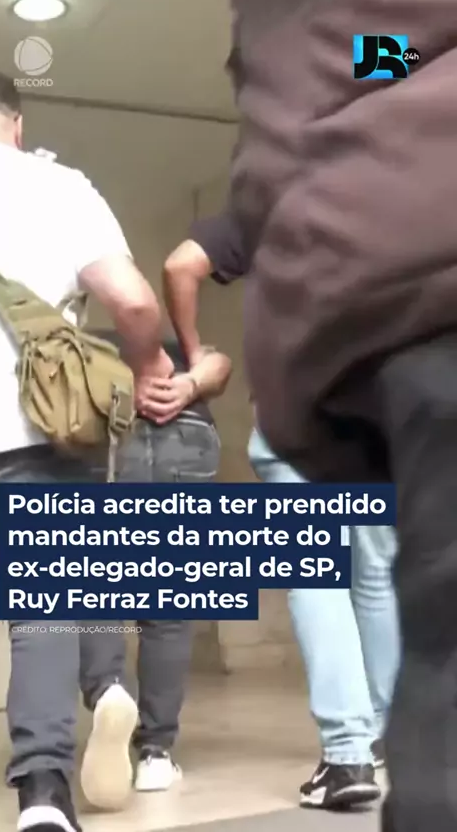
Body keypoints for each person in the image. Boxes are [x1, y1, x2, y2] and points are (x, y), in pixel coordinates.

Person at [226, 0, 457, 830]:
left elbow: (362, 53)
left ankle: (350, 749)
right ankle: (388, 740)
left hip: (380, 345)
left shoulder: (348, 44)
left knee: (329, 578)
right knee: (390, 580)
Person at [0, 71, 173, 832]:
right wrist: (149, 365)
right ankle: (43, 795)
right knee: (46, 613)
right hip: (36, 427)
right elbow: (132, 298)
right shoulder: (59, 187)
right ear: (17, 124)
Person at [163, 211, 399, 809]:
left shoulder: (270, 198)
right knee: (375, 574)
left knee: (317, 576)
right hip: (377, 412)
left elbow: (181, 264)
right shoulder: (393, 191)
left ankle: (346, 757)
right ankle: (386, 735)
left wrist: (196, 354)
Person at [77, 330, 229, 808]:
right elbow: (220, 364)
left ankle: (108, 691)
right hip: (187, 430)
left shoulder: (83, 342)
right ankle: (156, 754)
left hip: (109, 429)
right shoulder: (177, 345)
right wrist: (190, 385)